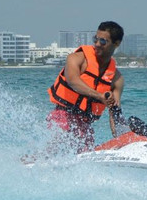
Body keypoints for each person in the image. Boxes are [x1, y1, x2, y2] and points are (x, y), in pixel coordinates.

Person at [46, 21, 125, 153]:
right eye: (96, 39)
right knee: (56, 148)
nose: (97, 44)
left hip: (85, 125)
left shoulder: (117, 79)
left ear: (116, 44)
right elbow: (73, 81)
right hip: (62, 115)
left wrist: (121, 139)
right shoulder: (77, 59)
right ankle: (28, 164)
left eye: (103, 41)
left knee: (86, 155)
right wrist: (100, 96)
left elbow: (114, 114)